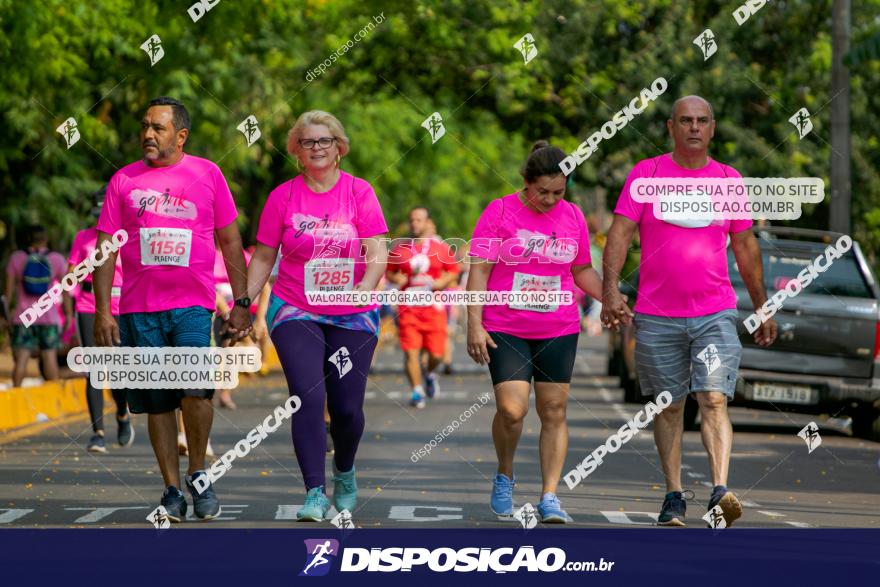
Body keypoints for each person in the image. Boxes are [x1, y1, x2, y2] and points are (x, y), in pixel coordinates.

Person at [601, 95, 777, 528]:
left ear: (712, 128)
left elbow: (745, 246)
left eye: (701, 121)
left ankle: (720, 490)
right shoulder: (647, 175)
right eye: (685, 121)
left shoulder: (729, 181)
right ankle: (674, 496)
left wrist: (762, 306)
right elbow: (620, 235)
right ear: (671, 127)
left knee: (714, 397)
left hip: (715, 312)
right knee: (670, 406)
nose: (694, 128)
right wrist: (610, 291)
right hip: (658, 314)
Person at [92, 96, 252, 523]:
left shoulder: (208, 174)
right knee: (158, 402)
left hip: (193, 306)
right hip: (139, 311)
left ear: (180, 136)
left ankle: (199, 473)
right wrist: (103, 311)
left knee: (196, 391)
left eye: (158, 128)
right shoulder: (123, 181)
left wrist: (241, 302)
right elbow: (106, 249)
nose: (147, 134)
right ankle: (170, 488)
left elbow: (231, 241)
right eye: (144, 126)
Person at [245, 110, 388, 522]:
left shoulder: (360, 193)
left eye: (325, 141)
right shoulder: (283, 197)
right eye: (308, 142)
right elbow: (264, 257)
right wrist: (245, 302)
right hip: (296, 308)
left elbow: (377, 248)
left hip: (352, 312)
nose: (317, 148)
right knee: (307, 396)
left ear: (339, 147)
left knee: (346, 409)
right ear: (296, 150)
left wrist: (369, 283)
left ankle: (344, 470)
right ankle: (314, 492)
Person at [467, 141, 603, 523]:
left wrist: (612, 296)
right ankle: (505, 473)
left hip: (558, 326)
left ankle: (549, 496)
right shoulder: (499, 212)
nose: (549, 200)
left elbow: (581, 272)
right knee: (512, 409)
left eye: (558, 192)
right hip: (505, 325)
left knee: (554, 409)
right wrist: (473, 323)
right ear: (525, 183)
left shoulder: (573, 216)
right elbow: (478, 269)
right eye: (541, 191)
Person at [65, 188, 133, 453]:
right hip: (87, 306)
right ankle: (98, 433)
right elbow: (72, 273)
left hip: (119, 308)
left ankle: (122, 413)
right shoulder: (83, 237)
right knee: (93, 370)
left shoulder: (125, 238)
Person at [387, 207, 459, 408]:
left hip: (433, 308)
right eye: (412, 220)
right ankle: (417, 391)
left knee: (436, 355)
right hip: (408, 308)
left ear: (428, 223)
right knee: (411, 352)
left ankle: (429, 373)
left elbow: (453, 271)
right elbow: (390, 272)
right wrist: (396, 278)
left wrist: (441, 282)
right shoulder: (399, 249)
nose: (415, 224)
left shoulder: (441, 249)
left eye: (419, 220)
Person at [4, 225, 67, 387]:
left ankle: (16, 395)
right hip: (49, 317)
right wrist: (68, 314)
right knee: (49, 357)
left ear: (28, 239)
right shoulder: (57, 259)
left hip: (23, 317)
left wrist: (6, 316)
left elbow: (8, 293)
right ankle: (54, 399)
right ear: (46, 239)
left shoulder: (16, 258)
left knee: (21, 360)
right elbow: (66, 289)